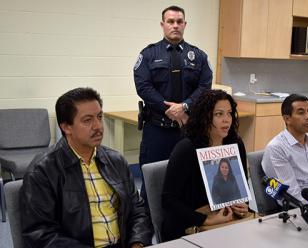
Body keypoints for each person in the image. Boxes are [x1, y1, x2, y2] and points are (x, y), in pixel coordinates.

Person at [21, 87, 153, 248]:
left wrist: (137, 243)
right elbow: (39, 234)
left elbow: (137, 210)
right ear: (66, 127)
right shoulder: (43, 170)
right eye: (87, 120)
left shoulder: (116, 161)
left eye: (99, 117)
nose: (98, 126)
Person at [133, 5, 212, 202]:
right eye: (170, 22)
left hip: (188, 130)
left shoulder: (199, 56)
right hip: (157, 130)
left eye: (179, 22)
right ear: (163, 24)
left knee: (190, 178)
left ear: (185, 24)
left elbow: (205, 86)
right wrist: (171, 109)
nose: (175, 26)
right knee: (151, 180)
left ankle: (188, 223)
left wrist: (185, 106)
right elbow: (143, 86)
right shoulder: (149, 54)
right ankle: (149, 224)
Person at [161, 89, 249, 241]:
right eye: (218, 114)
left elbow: (241, 186)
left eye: (229, 113)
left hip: (227, 219)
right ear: (204, 117)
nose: (226, 120)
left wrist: (243, 206)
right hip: (191, 222)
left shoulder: (235, 143)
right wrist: (206, 220)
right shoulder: (187, 148)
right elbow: (168, 201)